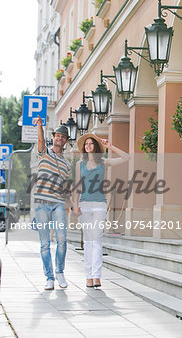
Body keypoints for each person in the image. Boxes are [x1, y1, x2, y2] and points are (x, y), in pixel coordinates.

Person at [72, 133, 129, 288]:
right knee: (88, 242)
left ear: (95, 147)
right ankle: (88, 276)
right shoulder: (80, 164)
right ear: (84, 148)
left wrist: (111, 147)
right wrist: (75, 204)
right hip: (84, 205)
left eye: (91, 143)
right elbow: (77, 186)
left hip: (99, 205)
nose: (88, 146)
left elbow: (126, 158)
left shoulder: (103, 162)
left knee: (96, 241)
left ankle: (96, 276)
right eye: (86, 144)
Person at [34, 115, 71, 290]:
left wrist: (70, 203)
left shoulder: (66, 163)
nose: (60, 138)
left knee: (62, 239)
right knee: (45, 244)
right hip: (42, 202)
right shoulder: (44, 152)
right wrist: (40, 125)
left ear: (65, 141)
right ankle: (49, 277)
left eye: (63, 137)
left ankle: (60, 272)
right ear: (54, 137)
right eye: (58, 135)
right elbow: (40, 140)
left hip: (58, 203)